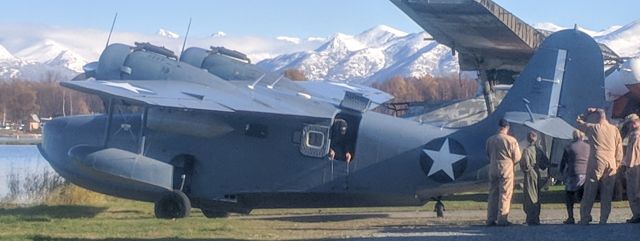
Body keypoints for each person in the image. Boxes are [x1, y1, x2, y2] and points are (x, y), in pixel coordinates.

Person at [576, 108, 623, 224]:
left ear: (597, 118)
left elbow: (578, 123)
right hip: (611, 161)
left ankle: (585, 217)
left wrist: (586, 113)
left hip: (597, 160)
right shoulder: (614, 129)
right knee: (607, 193)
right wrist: (617, 164)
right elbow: (619, 149)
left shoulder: (593, 127)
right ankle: (603, 218)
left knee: (590, 190)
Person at [486, 119, 522, 226]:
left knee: (493, 193)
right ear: (507, 128)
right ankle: (502, 218)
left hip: (493, 167)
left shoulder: (490, 140)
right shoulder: (511, 140)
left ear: (499, 127)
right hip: (506, 168)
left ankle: (490, 218)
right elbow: (517, 157)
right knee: (505, 193)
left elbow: (487, 153)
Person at [559, 130, 590, 224]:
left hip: (573, 173)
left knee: (569, 195)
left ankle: (571, 217)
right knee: (584, 196)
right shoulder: (588, 147)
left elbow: (563, 161)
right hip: (585, 173)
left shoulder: (569, 147)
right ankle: (586, 215)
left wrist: (561, 171)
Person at [520, 131, 547, 225]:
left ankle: (531, 217)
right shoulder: (539, 150)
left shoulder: (526, 150)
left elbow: (526, 165)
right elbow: (545, 164)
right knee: (537, 195)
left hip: (530, 174)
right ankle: (536, 217)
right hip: (537, 173)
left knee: (529, 195)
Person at [622, 113, 640, 223]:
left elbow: (632, 153)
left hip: (634, 167)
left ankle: (637, 214)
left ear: (633, 123)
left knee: (633, 191)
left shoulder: (635, 135)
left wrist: (627, 167)